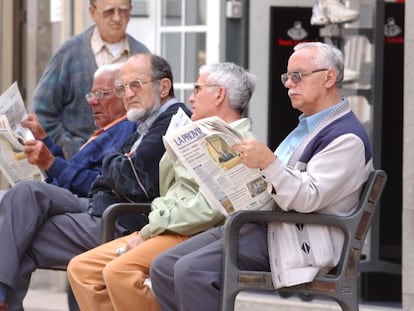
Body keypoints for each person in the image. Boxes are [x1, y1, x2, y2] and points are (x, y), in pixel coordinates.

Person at [149, 42, 374, 311]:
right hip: (266, 224)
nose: (289, 84)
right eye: (287, 77)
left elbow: (308, 197)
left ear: (329, 77)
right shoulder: (309, 125)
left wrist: (268, 162)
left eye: (298, 76)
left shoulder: (346, 137)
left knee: (190, 270)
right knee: (163, 267)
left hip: (298, 239)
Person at [0, 53, 189, 311]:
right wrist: (113, 164)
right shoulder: (144, 122)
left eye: (136, 85)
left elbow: (132, 178)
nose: (128, 94)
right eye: (123, 88)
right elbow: (112, 171)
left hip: (119, 217)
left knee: (21, 222)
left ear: (163, 87)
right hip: (100, 204)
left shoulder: (169, 120)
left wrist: (108, 164)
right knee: (21, 215)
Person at [66, 62, 256, 311]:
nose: (190, 97)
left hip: (191, 233)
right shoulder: (199, 133)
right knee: (82, 269)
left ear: (219, 94)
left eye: (197, 89)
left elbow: (207, 211)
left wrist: (148, 231)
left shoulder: (237, 144)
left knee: (119, 271)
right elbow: (173, 191)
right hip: (165, 225)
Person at [31, 0, 150, 159]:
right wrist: (69, 147)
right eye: (109, 11)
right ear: (92, 12)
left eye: (123, 11)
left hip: (126, 166)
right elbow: (42, 110)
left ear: (131, 10)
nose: (117, 18)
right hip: (75, 165)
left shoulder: (142, 56)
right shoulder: (70, 53)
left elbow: (152, 111)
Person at [21, 63, 136, 197]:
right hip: (63, 197)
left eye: (100, 94)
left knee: (21, 194)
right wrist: (43, 139)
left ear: (123, 95)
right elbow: (72, 171)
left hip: (85, 208)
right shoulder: (108, 130)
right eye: (91, 95)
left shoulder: (126, 131)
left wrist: (50, 162)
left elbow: (98, 185)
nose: (92, 101)